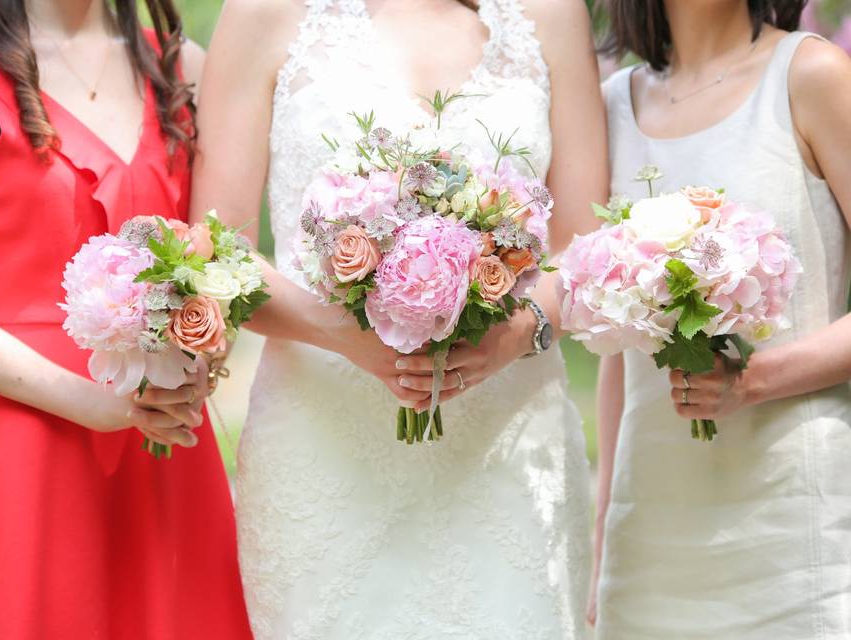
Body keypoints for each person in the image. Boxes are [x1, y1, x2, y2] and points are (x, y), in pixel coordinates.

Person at [191, 0, 607, 637]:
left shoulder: (551, 13)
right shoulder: (264, 13)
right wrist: (343, 333)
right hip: (325, 443)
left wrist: (518, 331)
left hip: (510, 442)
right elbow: (217, 247)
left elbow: (584, 243)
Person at [0, 1, 252, 637]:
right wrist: (94, 403)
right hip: (24, 440)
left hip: (165, 437)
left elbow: (222, 260)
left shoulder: (183, 69)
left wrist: (201, 359)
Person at [592, 1, 851, 637]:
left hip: (792, 523)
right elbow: (616, 355)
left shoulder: (812, 75)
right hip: (648, 531)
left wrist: (752, 379)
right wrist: (603, 541)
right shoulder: (607, 110)